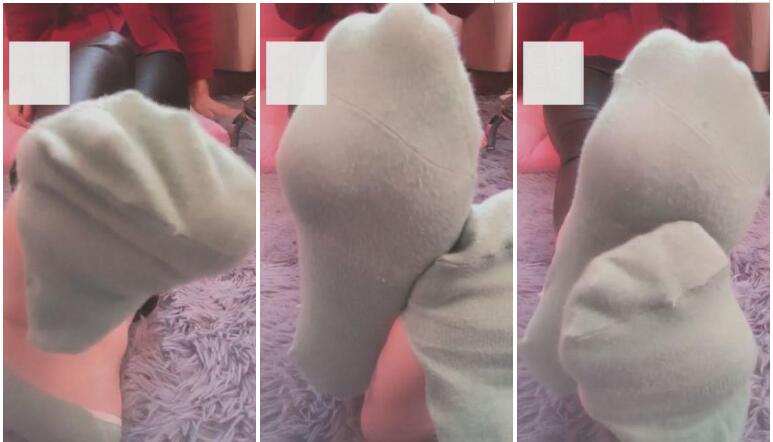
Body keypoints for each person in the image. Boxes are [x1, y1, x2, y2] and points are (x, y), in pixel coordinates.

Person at [517, 4, 738, 231]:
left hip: (656, 56)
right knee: (587, 146)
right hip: (570, 55)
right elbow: (534, 13)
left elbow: (715, 21)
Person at [4, 4, 235, 127]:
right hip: (71, 42)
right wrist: (25, 80)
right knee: (71, 134)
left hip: (151, 42)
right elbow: (24, 14)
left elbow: (191, 8)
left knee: (145, 127)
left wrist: (198, 86)